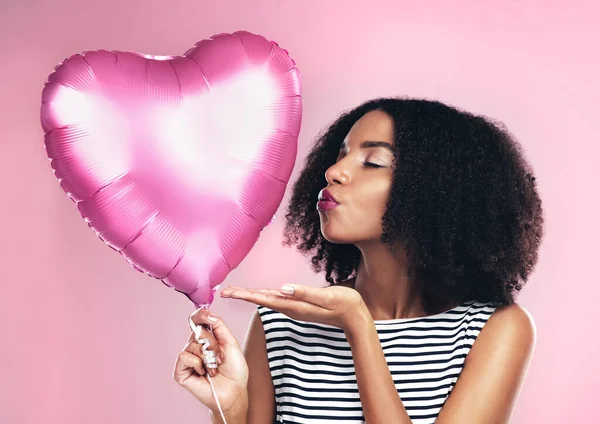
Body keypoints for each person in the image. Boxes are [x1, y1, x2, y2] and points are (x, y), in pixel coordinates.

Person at [173, 97, 544, 424]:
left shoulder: (492, 328)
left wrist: (359, 327)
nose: (334, 172)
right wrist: (231, 410)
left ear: (435, 191)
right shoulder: (281, 324)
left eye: (373, 162)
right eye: (340, 156)